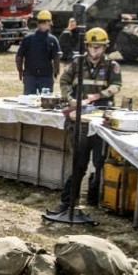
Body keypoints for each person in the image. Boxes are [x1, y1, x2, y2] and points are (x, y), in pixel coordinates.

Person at [46, 28, 121, 215]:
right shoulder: (78, 63)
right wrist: (68, 98)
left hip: (100, 118)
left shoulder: (112, 66)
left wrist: (100, 95)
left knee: (100, 162)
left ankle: (94, 198)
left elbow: (116, 85)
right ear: (87, 46)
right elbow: (64, 80)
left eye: (99, 47)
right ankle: (68, 201)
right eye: (91, 47)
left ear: (105, 47)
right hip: (80, 119)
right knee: (78, 163)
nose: (95, 51)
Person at [15, 10, 61, 95]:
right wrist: (56, 71)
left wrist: (20, 71)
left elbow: (19, 56)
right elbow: (56, 58)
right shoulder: (52, 40)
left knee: (28, 103)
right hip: (44, 76)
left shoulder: (28, 38)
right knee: (46, 103)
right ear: (48, 22)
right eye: (49, 22)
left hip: (31, 76)